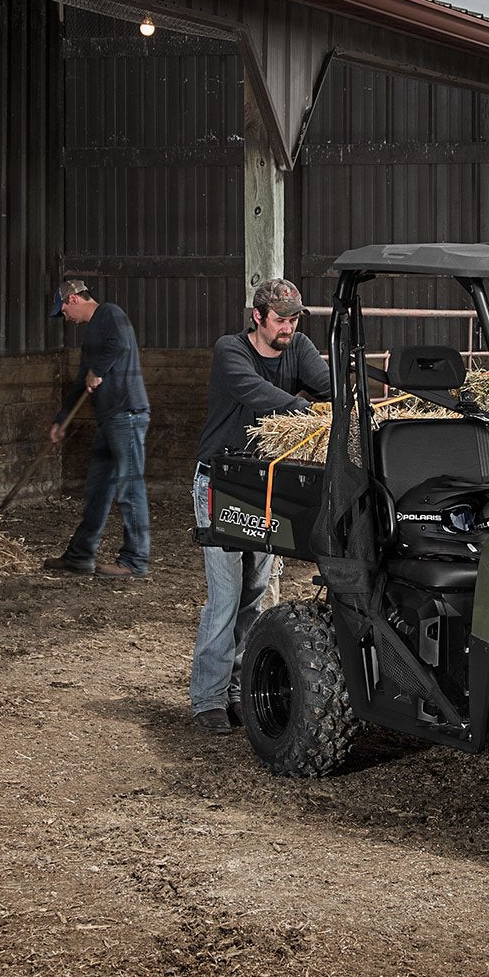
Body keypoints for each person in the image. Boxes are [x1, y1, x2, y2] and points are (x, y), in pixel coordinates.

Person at [190, 278, 329, 734]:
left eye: (293, 319)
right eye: (280, 319)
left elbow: (326, 384)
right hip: (223, 481)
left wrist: (354, 398)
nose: (288, 327)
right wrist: (307, 412)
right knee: (225, 597)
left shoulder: (300, 346)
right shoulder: (231, 350)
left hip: (269, 485)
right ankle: (207, 699)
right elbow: (255, 392)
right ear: (258, 316)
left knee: (254, 594)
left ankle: (238, 690)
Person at [42, 276, 151, 579]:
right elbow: (82, 380)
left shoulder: (110, 314)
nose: (64, 317)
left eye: (63, 310)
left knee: (130, 488)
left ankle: (135, 561)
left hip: (127, 414)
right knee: (98, 488)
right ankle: (80, 555)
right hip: (109, 419)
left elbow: (119, 344)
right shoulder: (93, 332)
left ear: (73, 299)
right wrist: (61, 419)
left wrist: (98, 370)